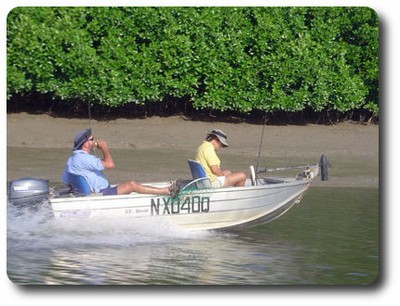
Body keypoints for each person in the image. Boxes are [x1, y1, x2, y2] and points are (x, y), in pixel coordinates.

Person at [61, 128, 178, 196]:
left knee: (129, 185)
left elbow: (66, 180)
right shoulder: (85, 158)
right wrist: (104, 148)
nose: (94, 141)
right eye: (92, 139)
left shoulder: (71, 160)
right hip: (101, 194)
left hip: (101, 191)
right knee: (131, 185)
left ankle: (163, 189)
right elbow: (110, 165)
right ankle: (167, 191)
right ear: (86, 144)